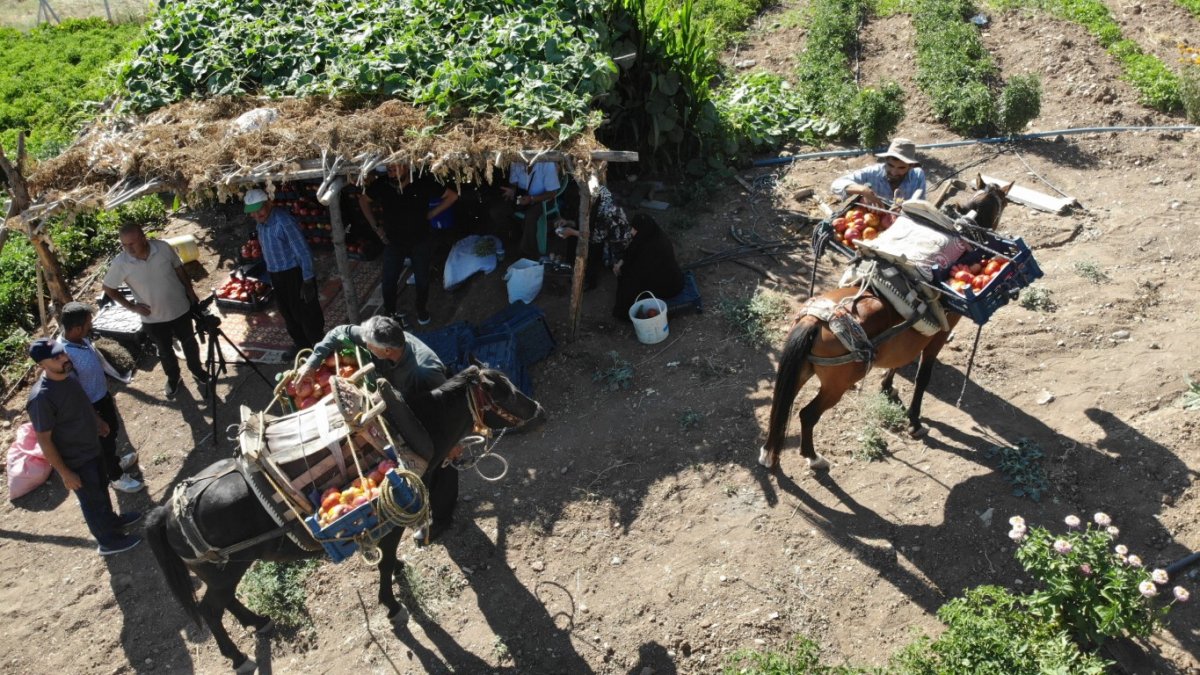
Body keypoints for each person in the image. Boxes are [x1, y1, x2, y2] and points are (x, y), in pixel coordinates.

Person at [296, 315, 456, 544]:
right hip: (399, 406)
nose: (365, 346)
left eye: (370, 346)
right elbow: (338, 333)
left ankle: (442, 518)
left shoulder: (424, 370)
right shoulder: (378, 340)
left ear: (387, 351)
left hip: (429, 415)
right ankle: (426, 503)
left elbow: (447, 405)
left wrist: (454, 442)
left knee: (442, 464)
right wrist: (312, 364)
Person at [26, 338, 142, 556]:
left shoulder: (68, 377)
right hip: (76, 459)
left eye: (62, 353)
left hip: (93, 447)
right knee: (91, 501)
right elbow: (44, 440)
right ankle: (107, 542)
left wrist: (97, 422)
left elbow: (83, 403)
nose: (64, 358)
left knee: (101, 489)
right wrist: (65, 473)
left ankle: (111, 521)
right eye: (56, 357)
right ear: (42, 364)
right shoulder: (41, 398)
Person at [102, 224, 210, 400]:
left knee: (189, 343)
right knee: (165, 351)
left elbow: (179, 268)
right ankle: (173, 378)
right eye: (124, 245)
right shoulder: (121, 263)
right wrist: (132, 307)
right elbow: (108, 288)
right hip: (153, 318)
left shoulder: (162, 248)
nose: (129, 249)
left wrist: (190, 291)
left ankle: (197, 370)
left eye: (132, 243)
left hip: (180, 308)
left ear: (143, 238)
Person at [356, 163, 458, 327]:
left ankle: (421, 309)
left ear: (405, 167)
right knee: (389, 280)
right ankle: (390, 313)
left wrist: (432, 213)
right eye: (389, 171)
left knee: (422, 278)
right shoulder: (382, 184)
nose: (391, 174)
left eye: (394, 170)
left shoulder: (422, 183)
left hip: (420, 239)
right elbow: (363, 200)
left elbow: (452, 196)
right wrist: (376, 227)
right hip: (393, 241)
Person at [57, 302, 144, 494]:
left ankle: (114, 462)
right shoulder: (64, 356)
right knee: (103, 441)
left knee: (111, 434)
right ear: (77, 328)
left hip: (101, 396)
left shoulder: (80, 339)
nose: (91, 325)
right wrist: (95, 419)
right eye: (88, 323)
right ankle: (115, 477)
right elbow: (75, 393)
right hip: (91, 406)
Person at [244, 188, 325, 353]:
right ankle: (302, 346)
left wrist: (308, 279)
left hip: (294, 273)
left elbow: (303, 251)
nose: (256, 214)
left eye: (259, 209)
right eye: (252, 212)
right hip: (276, 274)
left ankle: (319, 347)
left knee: (306, 313)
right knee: (288, 313)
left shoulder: (283, 221)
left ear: (268, 203)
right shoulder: (260, 224)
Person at [553, 183, 632, 289]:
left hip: (614, 242)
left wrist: (572, 232)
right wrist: (568, 222)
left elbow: (596, 237)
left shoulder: (607, 208)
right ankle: (573, 267)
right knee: (573, 235)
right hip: (598, 232)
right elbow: (585, 223)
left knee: (590, 245)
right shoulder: (592, 197)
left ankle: (588, 279)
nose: (580, 195)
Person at [612, 214, 684, 321]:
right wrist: (621, 262)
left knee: (628, 282)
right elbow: (633, 249)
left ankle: (625, 313)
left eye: (635, 229)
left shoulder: (654, 248)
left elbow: (639, 272)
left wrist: (622, 270)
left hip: (669, 287)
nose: (632, 232)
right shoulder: (651, 235)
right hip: (663, 276)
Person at [490, 160, 561, 260]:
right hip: (522, 197)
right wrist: (512, 190)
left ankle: (528, 253)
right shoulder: (515, 160)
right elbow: (514, 183)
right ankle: (516, 233)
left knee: (531, 216)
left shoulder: (547, 164)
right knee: (496, 211)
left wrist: (532, 199)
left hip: (543, 199)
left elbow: (552, 193)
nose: (524, 159)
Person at [831, 137, 927, 207]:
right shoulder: (873, 172)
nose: (894, 172)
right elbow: (836, 184)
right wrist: (862, 190)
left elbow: (920, 204)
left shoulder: (918, 176)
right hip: (875, 219)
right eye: (890, 165)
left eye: (901, 168)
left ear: (911, 166)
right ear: (886, 160)